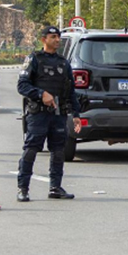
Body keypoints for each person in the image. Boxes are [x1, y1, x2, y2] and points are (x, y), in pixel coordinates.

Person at [16, 25, 81, 202]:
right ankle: (23, 188)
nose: (57, 40)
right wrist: (40, 94)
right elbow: (22, 85)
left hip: (58, 114)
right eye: (53, 37)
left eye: (58, 37)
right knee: (31, 149)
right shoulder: (34, 59)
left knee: (58, 151)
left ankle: (55, 187)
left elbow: (71, 91)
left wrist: (76, 114)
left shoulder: (63, 63)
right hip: (38, 114)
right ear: (44, 39)